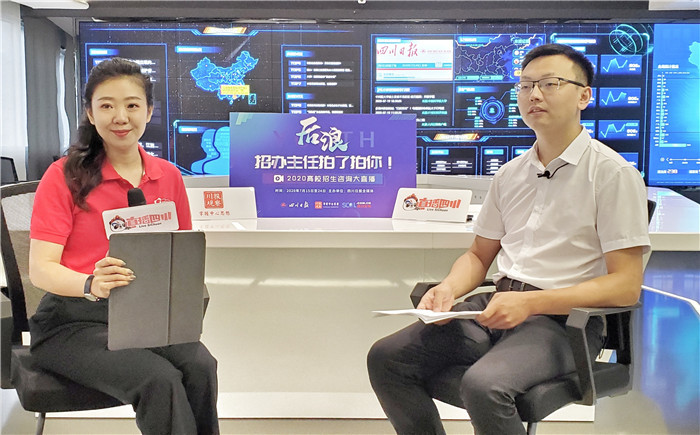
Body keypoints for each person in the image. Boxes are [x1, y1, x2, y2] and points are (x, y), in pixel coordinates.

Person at [367, 43, 651, 435]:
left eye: (550, 84)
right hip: (495, 306)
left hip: (564, 322)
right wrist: (448, 289)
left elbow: (625, 285)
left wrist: (530, 303)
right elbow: (478, 255)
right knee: (386, 357)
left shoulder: (612, 174)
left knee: (485, 386)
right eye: (526, 85)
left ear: (584, 96)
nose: (534, 95)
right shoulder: (510, 174)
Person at [28, 58, 219, 434]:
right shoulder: (63, 176)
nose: (120, 117)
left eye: (132, 105)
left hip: (142, 318)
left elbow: (178, 257)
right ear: (90, 112)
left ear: (148, 111)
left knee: (200, 365)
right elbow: (41, 269)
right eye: (107, 105)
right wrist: (90, 283)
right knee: (158, 379)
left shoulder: (168, 176)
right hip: (71, 322)